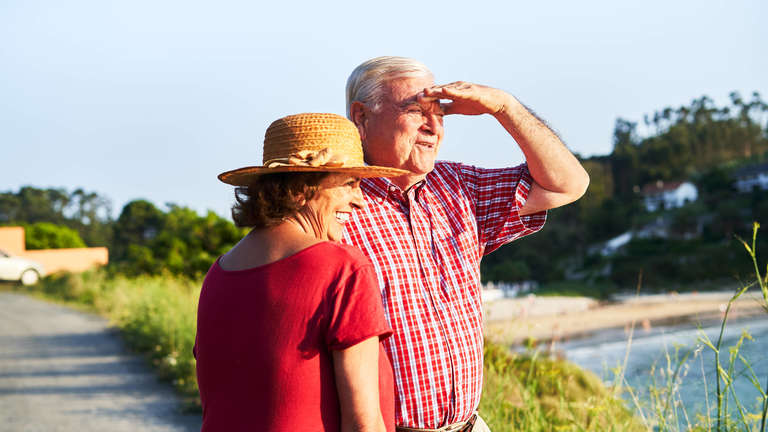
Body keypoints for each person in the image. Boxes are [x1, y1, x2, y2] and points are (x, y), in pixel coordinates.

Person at [342, 57, 590, 431]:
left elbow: (568, 184)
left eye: (439, 113)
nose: (432, 126)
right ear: (361, 117)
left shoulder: (458, 185)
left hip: (471, 425)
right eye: (414, 110)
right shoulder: (337, 207)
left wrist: (504, 107)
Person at [194, 113, 410, 431]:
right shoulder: (343, 269)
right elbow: (363, 424)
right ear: (300, 189)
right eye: (350, 183)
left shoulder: (219, 274)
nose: (360, 200)